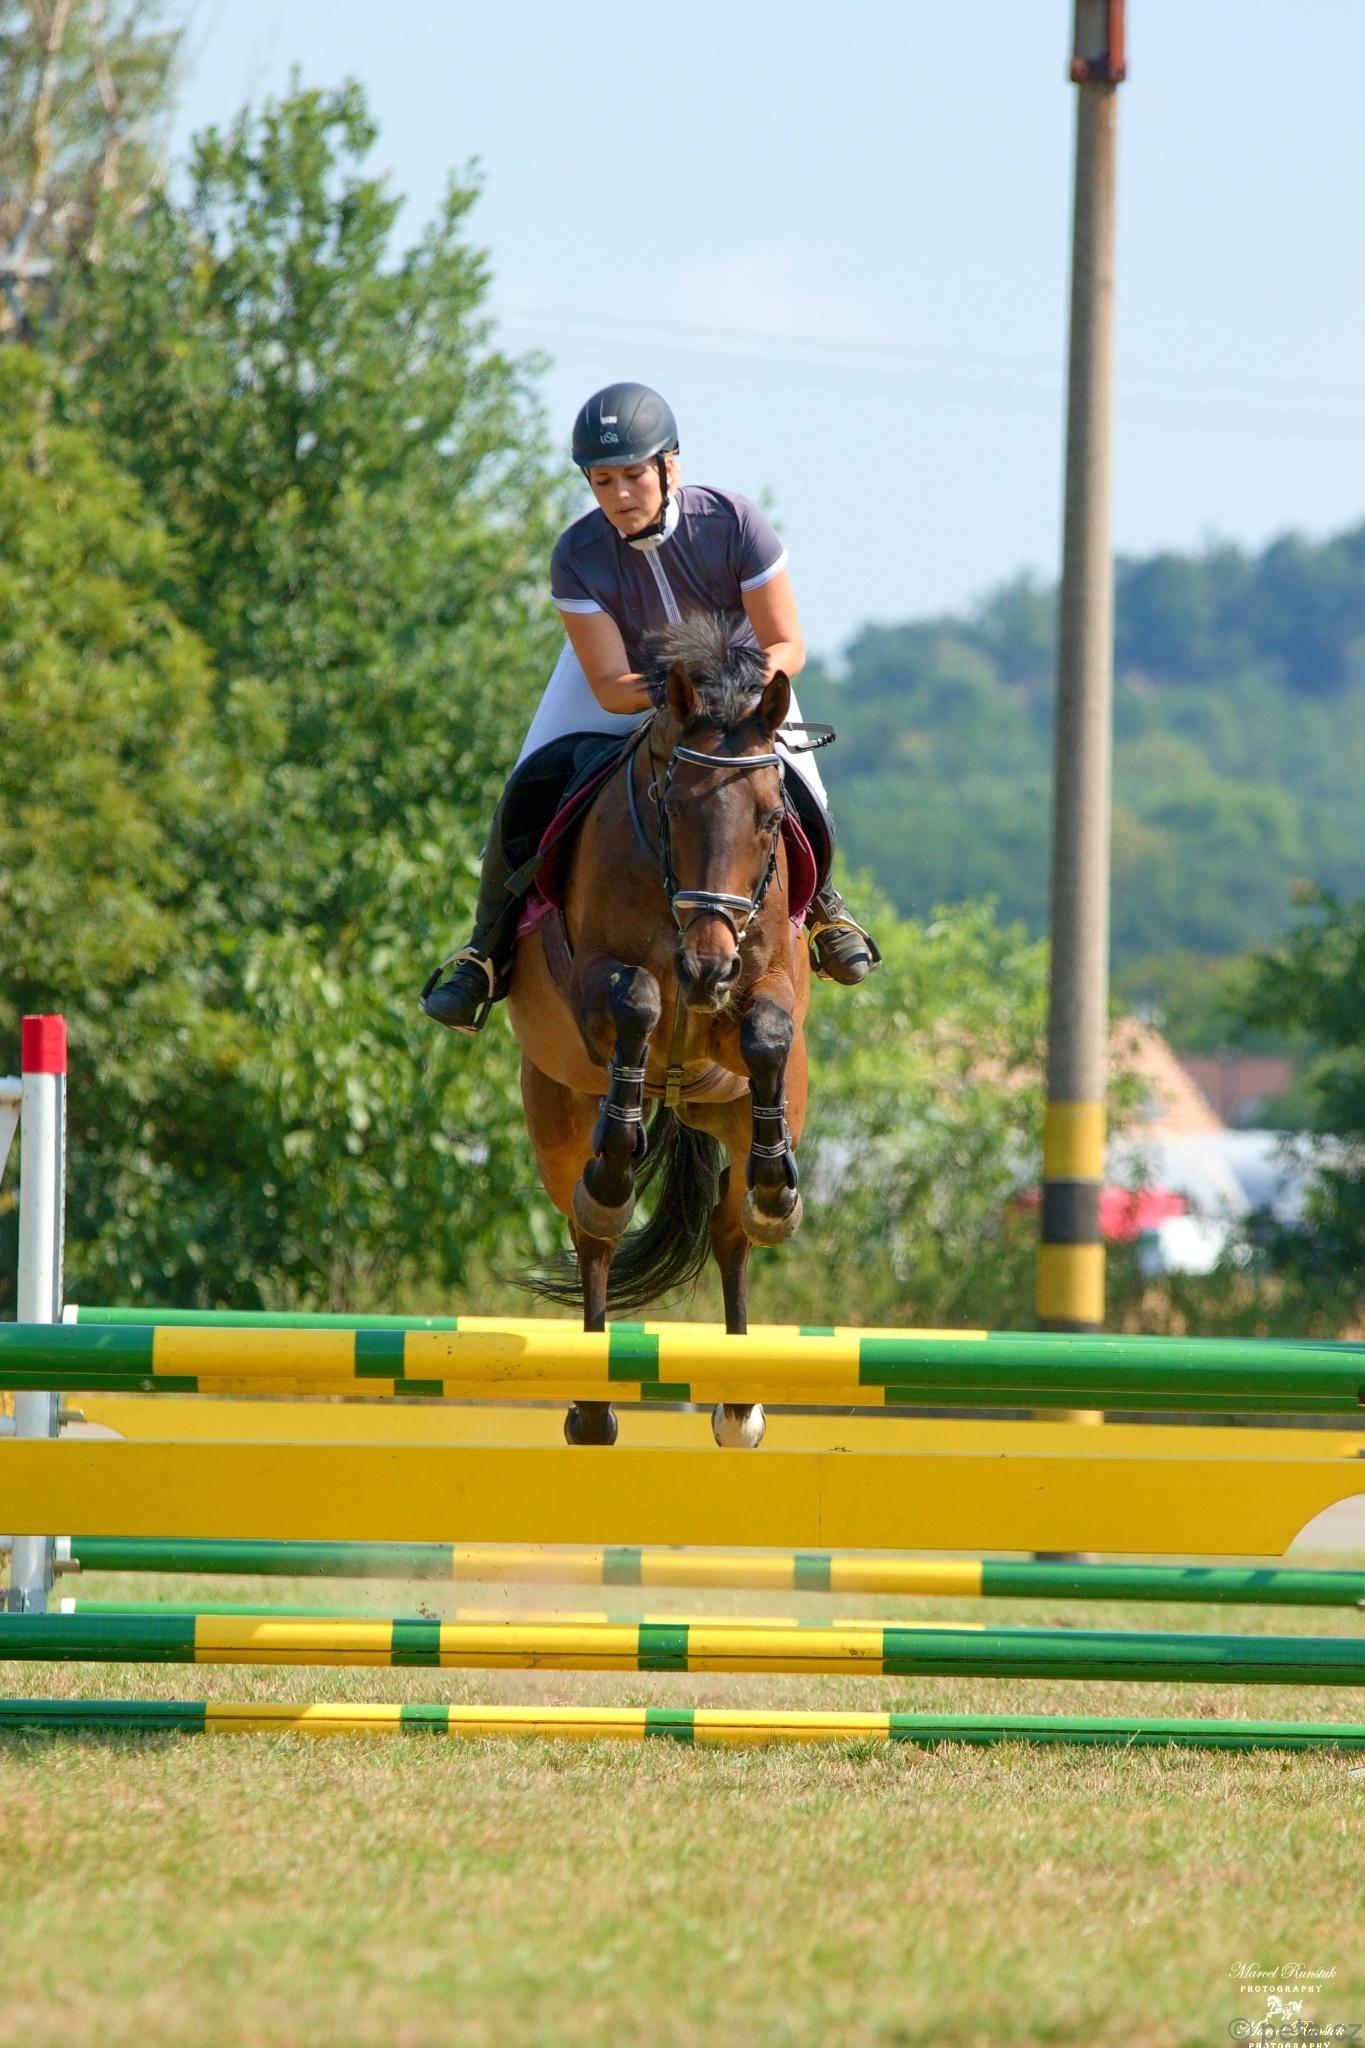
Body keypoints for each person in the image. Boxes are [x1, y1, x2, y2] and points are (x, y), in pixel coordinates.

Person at [421, 381, 879, 1034]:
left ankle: (828, 910)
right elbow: (611, 688)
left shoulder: (733, 522)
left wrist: (724, 685)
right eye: (602, 481)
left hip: (739, 681)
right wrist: (674, 689)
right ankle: (483, 955)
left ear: (670, 466)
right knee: (527, 783)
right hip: (636, 680)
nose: (619, 496)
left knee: (794, 782)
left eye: (633, 475)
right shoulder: (577, 554)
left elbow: (787, 644)